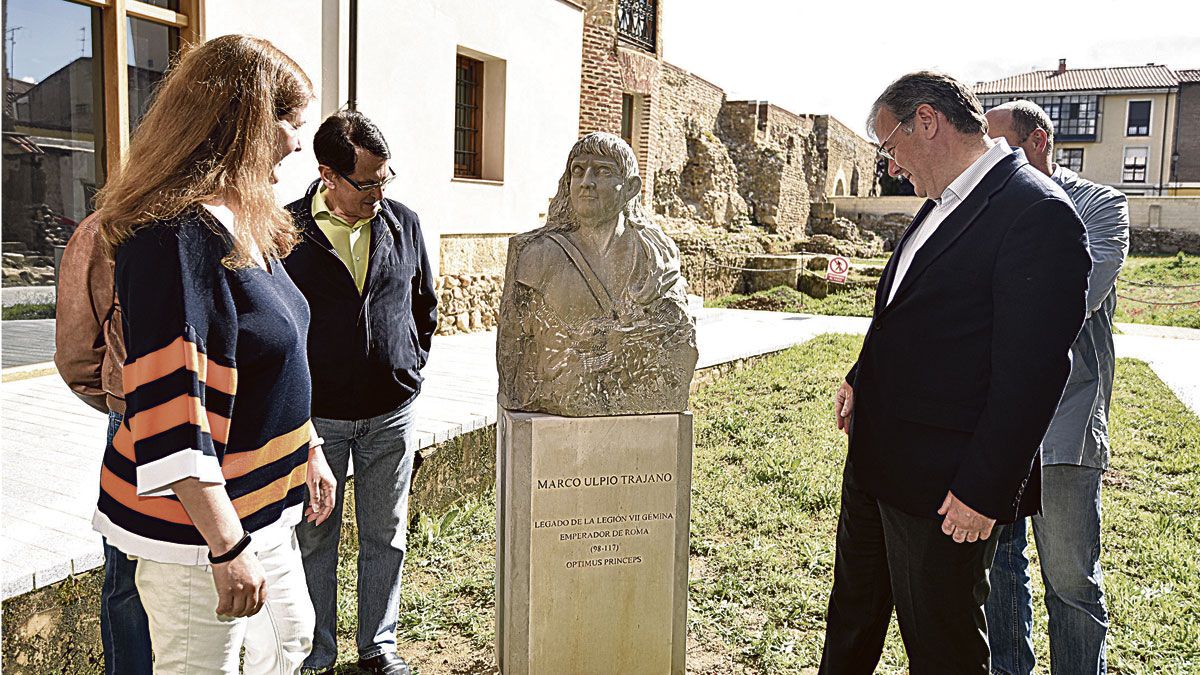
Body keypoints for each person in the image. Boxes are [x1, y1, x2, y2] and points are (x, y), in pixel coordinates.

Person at [819, 71, 1091, 674]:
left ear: (927, 120)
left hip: (944, 491)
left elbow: (1034, 373)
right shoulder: (942, 202)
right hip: (876, 465)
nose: (889, 166)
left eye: (889, 146)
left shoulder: (1036, 213)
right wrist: (861, 375)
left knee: (943, 652)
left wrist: (982, 493)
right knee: (850, 628)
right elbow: (909, 311)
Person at [90, 34, 336, 675]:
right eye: (288, 122)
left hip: (265, 503)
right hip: (197, 531)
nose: (298, 142)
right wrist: (227, 548)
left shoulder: (247, 223)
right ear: (243, 122)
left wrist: (307, 447)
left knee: (291, 639)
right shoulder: (171, 239)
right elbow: (171, 413)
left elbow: (273, 360)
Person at [282, 110, 437, 675]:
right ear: (328, 175)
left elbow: (424, 306)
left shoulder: (405, 224)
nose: (378, 191)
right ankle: (318, 654)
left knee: (386, 535)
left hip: (391, 414)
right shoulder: (284, 232)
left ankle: (378, 648)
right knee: (315, 541)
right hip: (315, 424)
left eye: (384, 178)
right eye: (366, 181)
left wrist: (409, 371)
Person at [983, 100, 1129, 675]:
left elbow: (1074, 300)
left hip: (1066, 427)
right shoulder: (987, 209)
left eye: (1002, 145)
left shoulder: (1099, 205)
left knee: (1070, 582)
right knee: (998, 575)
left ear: (1039, 141)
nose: (990, 158)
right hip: (998, 425)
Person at [497, 131, 698, 417]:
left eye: (603, 172)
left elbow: (675, 343)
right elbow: (515, 355)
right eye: (578, 171)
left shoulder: (655, 261)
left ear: (630, 188)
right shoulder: (536, 255)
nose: (586, 183)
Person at [56, 211, 152, 675]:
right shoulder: (107, 228)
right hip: (134, 423)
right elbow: (77, 353)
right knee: (128, 574)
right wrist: (119, 399)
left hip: (220, 424)